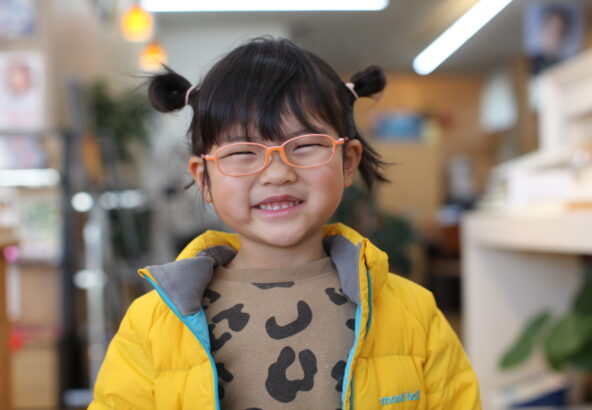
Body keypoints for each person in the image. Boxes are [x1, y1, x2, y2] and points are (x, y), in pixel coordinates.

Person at [89, 37, 481, 409]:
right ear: (203, 178)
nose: (277, 173)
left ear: (348, 162)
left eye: (306, 146)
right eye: (242, 152)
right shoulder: (152, 322)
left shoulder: (412, 313)